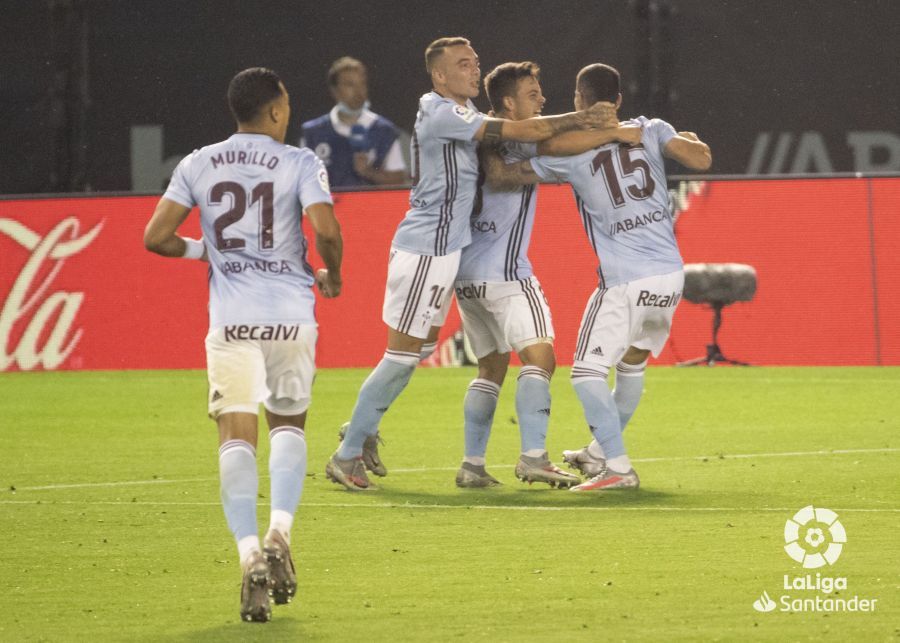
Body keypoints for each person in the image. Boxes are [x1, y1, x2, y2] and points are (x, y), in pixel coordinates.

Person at [325, 37, 617, 491]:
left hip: (450, 255)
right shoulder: (440, 111)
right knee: (402, 357)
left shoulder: (464, 114)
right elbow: (519, 134)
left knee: (424, 351)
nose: (473, 69)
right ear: (439, 75)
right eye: (462, 64)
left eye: (475, 62)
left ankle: (371, 432)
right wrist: (588, 120)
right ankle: (348, 452)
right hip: (427, 248)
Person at [144, 67, 343, 621]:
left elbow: (155, 237)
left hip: (231, 322)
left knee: (236, 436)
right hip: (291, 319)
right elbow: (326, 229)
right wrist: (332, 273)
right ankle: (280, 532)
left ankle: (249, 552)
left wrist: (205, 252)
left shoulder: (198, 162)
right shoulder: (300, 162)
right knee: (288, 427)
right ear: (276, 110)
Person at [483, 63, 711, 492]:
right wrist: (689, 138)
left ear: (578, 101)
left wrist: (487, 142)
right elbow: (700, 158)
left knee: (586, 374)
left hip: (625, 281)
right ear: (619, 100)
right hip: (669, 277)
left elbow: (503, 175)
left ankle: (619, 469)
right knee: (632, 367)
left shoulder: (571, 155)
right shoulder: (650, 128)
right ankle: (597, 454)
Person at [455, 61, 638, 489]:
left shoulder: (474, 139)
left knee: (490, 367)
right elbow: (559, 143)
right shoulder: (518, 140)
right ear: (507, 104)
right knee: (541, 359)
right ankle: (534, 457)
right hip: (506, 275)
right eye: (532, 94)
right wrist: (608, 131)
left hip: (466, 277)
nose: (542, 101)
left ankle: (472, 464)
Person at [301, 56, 408, 187]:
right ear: (334, 90)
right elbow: (302, 182)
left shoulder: (385, 131)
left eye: (362, 84)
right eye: (350, 85)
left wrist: (369, 172)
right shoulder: (313, 133)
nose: (359, 92)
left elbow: (399, 179)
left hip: (370, 201)